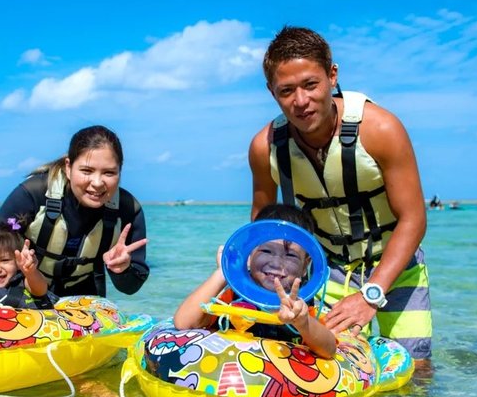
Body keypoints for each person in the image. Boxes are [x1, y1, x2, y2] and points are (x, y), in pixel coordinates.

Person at [248, 26, 433, 364]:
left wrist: (370, 295)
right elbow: (261, 226)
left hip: (397, 263)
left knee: (414, 370)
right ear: (272, 92)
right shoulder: (265, 148)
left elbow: (414, 218)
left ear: (332, 76)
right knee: (323, 365)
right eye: (286, 90)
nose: (300, 101)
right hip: (326, 270)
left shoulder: (380, 129)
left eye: (310, 84)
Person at [0, 125, 149, 298]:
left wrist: (122, 269)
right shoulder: (33, 195)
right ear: (68, 167)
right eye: (86, 171)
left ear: (120, 171)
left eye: (109, 173)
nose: (97, 183)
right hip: (24, 293)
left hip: (83, 297)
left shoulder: (127, 211)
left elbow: (131, 287)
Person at [172, 204, 336, 358]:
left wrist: (303, 322)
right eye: (266, 250)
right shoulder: (234, 296)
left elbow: (329, 350)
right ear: (248, 255)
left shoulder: (302, 304)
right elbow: (183, 323)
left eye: (291, 255)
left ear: (305, 265)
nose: (276, 263)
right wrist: (222, 273)